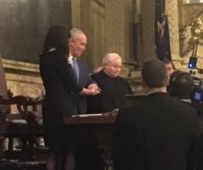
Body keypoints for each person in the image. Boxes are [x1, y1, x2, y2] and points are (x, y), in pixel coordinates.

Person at [112, 59, 200, 170]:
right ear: (168, 80)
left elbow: (119, 159)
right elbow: (195, 156)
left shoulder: (126, 116)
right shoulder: (189, 113)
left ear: (144, 82)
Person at [39, 25, 99, 170]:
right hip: (63, 108)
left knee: (53, 150)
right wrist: (91, 92)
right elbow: (73, 87)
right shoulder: (60, 58)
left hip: (50, 106)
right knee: (69, 149)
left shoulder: (44, 58)